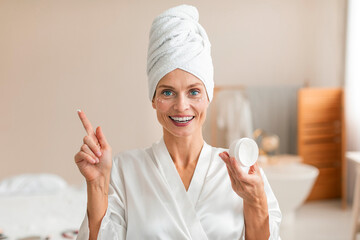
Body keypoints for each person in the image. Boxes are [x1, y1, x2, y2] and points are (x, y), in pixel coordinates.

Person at [75, 4, 281, 240]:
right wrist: (97, 184)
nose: (181, 106)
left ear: (208, 97)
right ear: (153, 99)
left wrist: (256, 199)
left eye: (194, 92)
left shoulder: (242, 173)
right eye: (167, 92)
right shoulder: (125, 169)